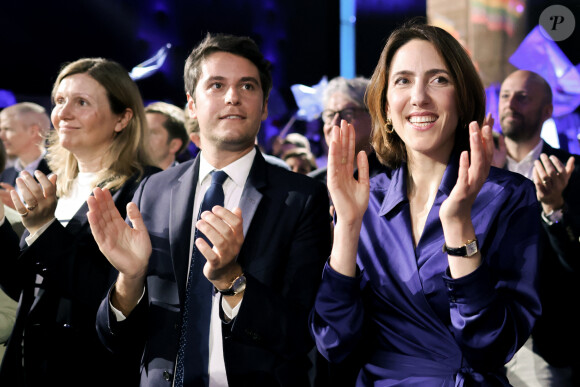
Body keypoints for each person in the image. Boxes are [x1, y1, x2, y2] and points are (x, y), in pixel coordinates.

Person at [87, 33, 331, 386]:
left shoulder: (301, 198)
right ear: (191, 104)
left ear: (264, 106)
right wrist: (130, 278)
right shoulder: (153, 190)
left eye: (247, 86)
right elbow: (115, 338)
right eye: (216, 85)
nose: (233, 97)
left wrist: (232, 280)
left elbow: (301, 333)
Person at [310, 21, 542, 386]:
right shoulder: (363, 197)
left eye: (438, 80)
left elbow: (492, 346)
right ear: (385, 107)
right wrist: (348, 227)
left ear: (462, 98)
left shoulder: (508, 197)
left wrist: (458, 225)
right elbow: (334, 342)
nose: (419, 97)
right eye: (402, 81)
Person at [0, 58, 158, 386]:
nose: (63, 113)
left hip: (90, 369)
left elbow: (111, 298)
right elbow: (25, 286)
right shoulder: (51, 181)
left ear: (122, 118)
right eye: (59, 101)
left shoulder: (146, 189)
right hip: (30, 365)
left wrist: (43, 229)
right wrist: (3, 225)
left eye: (81, 103)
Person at [496, 70, 580, 386]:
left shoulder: (571, 170)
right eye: (505, 95)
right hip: (482, 334)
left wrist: (554, 206)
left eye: (523, 97)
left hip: (543, 343)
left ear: (547, 111)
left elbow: (575, 260)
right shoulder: (477, 166)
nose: (510, 104)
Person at [309, 76, 383, 186]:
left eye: (347, 113)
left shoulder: (394, 179)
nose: (335, 123)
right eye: (329, 115)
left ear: (374, 117)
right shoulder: (313, 186)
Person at [0, 102, 52, 209]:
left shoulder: (60, 173)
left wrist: (16, 212)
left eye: (7, 129)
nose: (1, 136)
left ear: (33, 131)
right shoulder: (5, 175)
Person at [145, 101, 190, 170]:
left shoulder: (189, 180)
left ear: (174, 145)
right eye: (141, 131)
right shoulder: (128, 178)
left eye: (152, 132)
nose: (141, 137)